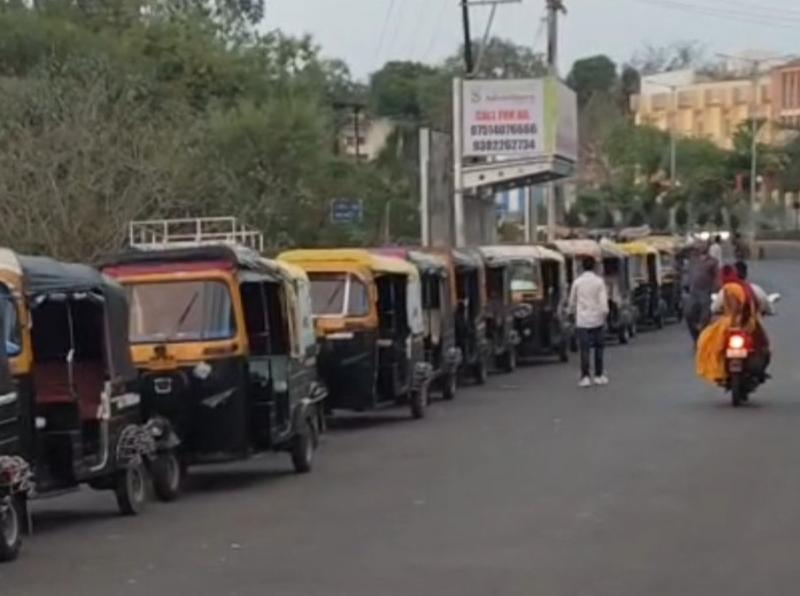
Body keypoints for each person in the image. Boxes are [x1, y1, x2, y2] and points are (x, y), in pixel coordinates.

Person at [696, 265, 761, 385]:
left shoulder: (726, 289)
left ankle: (718, 370)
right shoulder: (749, 288)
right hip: (748, 323)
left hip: (729, 323)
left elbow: (715, 308)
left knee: (707, 341)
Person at [568, 256, 609, 387]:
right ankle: (598, 375)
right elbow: (603, 303)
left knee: (584, 349)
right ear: (594, 267)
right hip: (597, 319)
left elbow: (572, 301)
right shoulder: (599, 282)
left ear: (582, 267)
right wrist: (605, 315)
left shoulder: (577, 282)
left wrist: (571, 313)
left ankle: (585, 377)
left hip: (582, 320)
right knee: (598, 348)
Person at [684, 242, 720, 344]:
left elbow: (717, 277)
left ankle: (703, 339)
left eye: (703, 245)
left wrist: (715, 289)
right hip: (693, 292)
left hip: (706, 292)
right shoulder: (693, 259)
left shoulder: (712, 262)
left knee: (705, 317)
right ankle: (696, 337)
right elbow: (679, 255)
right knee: (688, 314)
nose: (701, 247)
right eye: (699, 245)